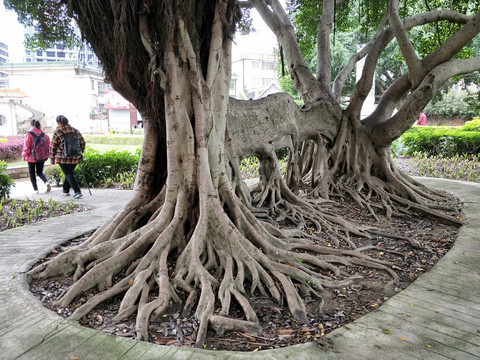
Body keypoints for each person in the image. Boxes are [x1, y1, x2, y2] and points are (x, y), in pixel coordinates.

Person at [50, 115, 86, 199]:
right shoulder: (75, 130)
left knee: (69, 174)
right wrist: (80, 152)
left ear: (58, 123)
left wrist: (52, 159)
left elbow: (53, 147)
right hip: (75, 157)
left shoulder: (58, 132)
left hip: (62, 158)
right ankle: (65, 190)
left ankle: (77, 191)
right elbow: (83, 142)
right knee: (69, 173)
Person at [22, 119, 52, 194]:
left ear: (31, 125)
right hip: (42, 157)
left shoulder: (29, 134)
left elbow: (27, 146)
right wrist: (47, 155)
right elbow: (48, 146)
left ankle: (36, 190)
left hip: (31, 157)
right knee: (40, 172)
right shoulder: (44, 134)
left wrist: (24, 155)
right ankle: (46, 182)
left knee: (32, 173)